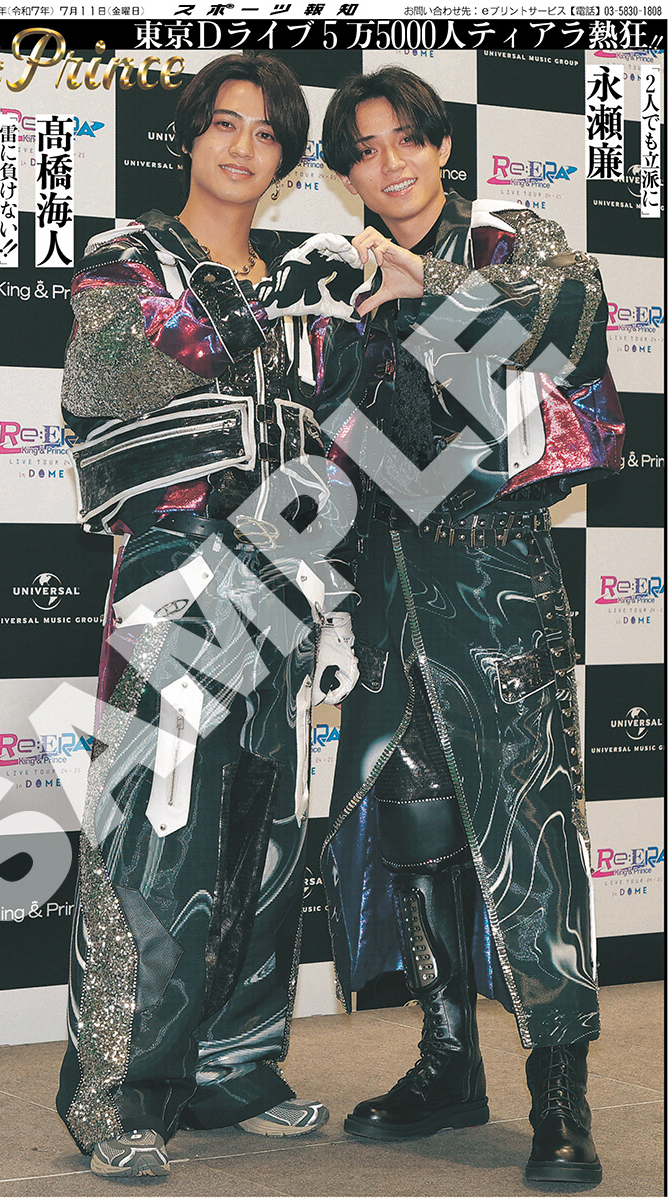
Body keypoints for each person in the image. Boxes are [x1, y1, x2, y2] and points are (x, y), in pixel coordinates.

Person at [55, 53, 362, 1180]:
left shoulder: (302, 281)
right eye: (224, 124)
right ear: (188, 136)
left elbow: (333, 444)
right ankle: (119, 1096)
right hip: (177, 576)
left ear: (285, 159)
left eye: (266, 132)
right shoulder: (128, 258)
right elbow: (105, 390)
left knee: (261, 825)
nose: (242, 147)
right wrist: (272, 341)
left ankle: (232, 1067)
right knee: (155, 824)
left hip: (287, 580)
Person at [316, 66, 624, 1185]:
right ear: (342, 172)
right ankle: (448, 1060)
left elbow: (567, 321)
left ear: (442, 147)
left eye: (407, 139)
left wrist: (430, 283)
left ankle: (559, 1093)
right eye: (363, 149)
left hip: (497, 585)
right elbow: (334, 448)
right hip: (389, 599)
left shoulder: (506, 239)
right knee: (414, 833)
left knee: (531, 833)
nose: (388, 164)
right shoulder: (336, 282)